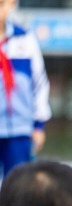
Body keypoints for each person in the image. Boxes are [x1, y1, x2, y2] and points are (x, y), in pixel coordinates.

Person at [0, 0, 51, 178]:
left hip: (20, 130)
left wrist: (38, 125)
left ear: (11, 4)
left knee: (18, 184)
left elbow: (39, 83)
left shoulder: (25, 39)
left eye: (1, 4)